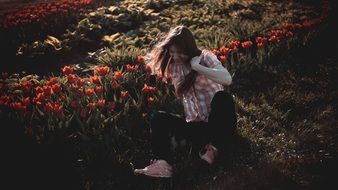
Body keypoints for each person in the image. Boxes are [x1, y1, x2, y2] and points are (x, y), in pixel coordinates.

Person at [134, 25, 237, 178]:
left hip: (218, 125)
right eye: (172, 51)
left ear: (188, 48)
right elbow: (157, 68)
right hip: (196, 128)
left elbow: (227, 79)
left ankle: (213, 149)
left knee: (222, 98)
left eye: (179, 52)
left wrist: (197, 67)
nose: (175, 56)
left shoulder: (205, 58)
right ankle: (162, 164)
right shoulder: (174, 67)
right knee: (158, 118)